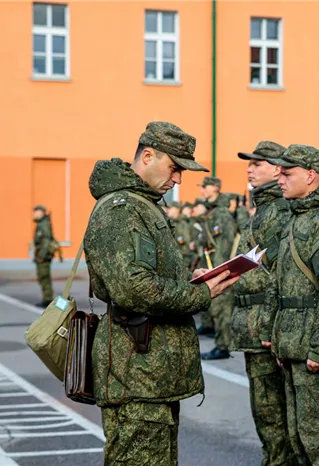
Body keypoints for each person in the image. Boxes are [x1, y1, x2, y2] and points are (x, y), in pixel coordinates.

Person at [84, 121, 239, 466]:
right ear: (148, 156)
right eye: (175, 168)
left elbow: (148, 274)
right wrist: (199, 295)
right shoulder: (121, 209)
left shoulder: (143, 204)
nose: (179, 179)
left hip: (151, 375)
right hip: (136, 374)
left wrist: (190, 280)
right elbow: (133, 288)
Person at [267, 144, 319, 465]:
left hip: (311, 345)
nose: (280, 180)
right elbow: (283, 288)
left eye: (287, 174)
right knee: (298, 434)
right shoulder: (295, 216)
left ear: (311, 176)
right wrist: (277, 337)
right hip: (291, 342)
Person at [231, 140, 295, 466]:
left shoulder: (278, 212)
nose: (249, 168)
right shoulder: (264, 210)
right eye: (249, 163)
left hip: (264, 325)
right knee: (267, 415)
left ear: (277, 169)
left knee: (274, 415)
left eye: (257, 163)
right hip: (252, 322)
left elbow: (278, 274)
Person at [199, 177, 237, 359]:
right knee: (216, 309)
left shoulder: (221, 214)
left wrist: (220, 272)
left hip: (221, 269)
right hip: (211, 265)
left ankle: (223, 346)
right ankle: (220, 343)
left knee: (222, 309)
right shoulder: (212, 212)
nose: (202, 191)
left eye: (205, 187)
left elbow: (225, 244)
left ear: (215, 188)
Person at [32, 205, 56, 307]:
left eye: (36, 212)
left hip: (44, 256)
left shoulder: (43, 224)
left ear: (41, 212)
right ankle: (47, 298)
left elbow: (46, 240)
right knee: (43, 277)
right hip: (42, 254)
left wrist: (41, 255)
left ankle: (48, 299)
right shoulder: (41, 223)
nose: (34, 214)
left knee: (44, 276)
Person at [168, 201, 195, 271]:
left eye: (171, 208)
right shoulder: (172, 222)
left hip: (182, 259)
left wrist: (185, 262)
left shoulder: (182, 224)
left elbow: (185, 243)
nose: (168, 210)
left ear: (177, 210)